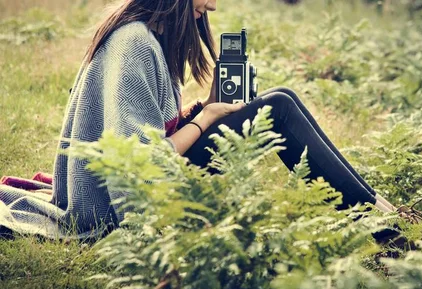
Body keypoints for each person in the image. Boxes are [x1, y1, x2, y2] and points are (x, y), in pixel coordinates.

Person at [0, 0, 397, 241]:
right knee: (278, 109)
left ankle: (377, 206)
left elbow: (150, 129)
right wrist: (206, 117)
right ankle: (376, 220)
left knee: (283, 100)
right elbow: (144, 162)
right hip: (114, 204)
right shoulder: (133, 42)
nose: (212, 7)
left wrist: (199, 110)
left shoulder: (146, 37)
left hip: (151, 173)